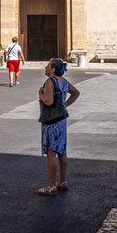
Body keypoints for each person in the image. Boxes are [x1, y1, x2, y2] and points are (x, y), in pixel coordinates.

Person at [37, 58, 80, 196]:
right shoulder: (63, 81)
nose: (45, 67)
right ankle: (62, 181)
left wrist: (41, 94)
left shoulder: (50, 81)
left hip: (51, 121)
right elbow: (75, 93)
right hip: (62, 120)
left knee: (51, 152)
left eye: (48, 66)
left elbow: (48, 101)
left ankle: (51, 185)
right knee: (62, 151)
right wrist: (64, 105)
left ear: (53, 69)